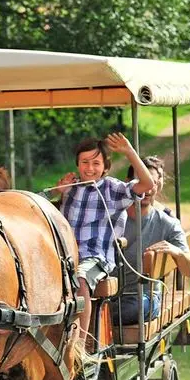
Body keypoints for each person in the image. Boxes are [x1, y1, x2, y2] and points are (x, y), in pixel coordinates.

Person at [54, 132, 154, 344]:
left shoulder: (111, 189)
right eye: (85, 162)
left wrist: (129, 152)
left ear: (106, 167)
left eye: (96, 163)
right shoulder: (69, 188)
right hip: (64, 256)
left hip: (95, 258)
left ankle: (79, 346)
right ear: (78, 165)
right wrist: (59, 192)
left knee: (80, 279)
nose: (90, 168)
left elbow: (147, 184)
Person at [115, 157, 190, 325]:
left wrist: (177, 252)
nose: (146, 188)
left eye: (151, 182)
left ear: (157, 186)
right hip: (108, 296)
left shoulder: (167, 224)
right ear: (128, 183)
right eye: (140, 181)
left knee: (134, 308)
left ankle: (99, 320)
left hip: (142, 298)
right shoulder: (112, 216)